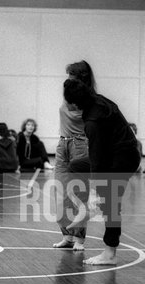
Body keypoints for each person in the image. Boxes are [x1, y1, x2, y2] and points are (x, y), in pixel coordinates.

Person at [63, 78, 140, 265]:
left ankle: (110, 253)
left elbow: (97, 159)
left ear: (74, 103)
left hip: (122, 159)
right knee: (76, 166)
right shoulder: (97, 100)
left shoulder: (92, 122)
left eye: (66, 101)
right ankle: (85, 208)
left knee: (111, 204)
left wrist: (96, 193)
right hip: (113, 153)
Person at [54, 61, 96, 251]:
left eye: (71, 75)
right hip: (63, 144)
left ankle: (79, 239)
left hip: (80, 145)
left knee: (78, 193)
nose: (68, 78)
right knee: (62, 191)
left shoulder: (89, 98)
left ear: (81, 78)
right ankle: (67, 236)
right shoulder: (67, 93)